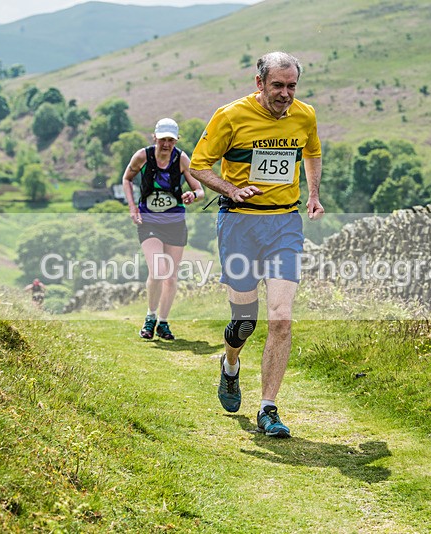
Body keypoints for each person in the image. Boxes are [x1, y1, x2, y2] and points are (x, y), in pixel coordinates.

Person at [190, 51, 323, 438]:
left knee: (281, 317)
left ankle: (268, 409)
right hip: (239, 224)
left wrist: (313, 194)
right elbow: (199, 165)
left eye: (292, 86)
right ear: (259, 83)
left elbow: (312, 152)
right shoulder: (230, 116)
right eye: (278, 85)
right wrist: (231, 188)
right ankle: (230, 364)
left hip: (284, 223)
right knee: (245, 321)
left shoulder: (305, 114)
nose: (286, 94)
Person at [122, 118, 204, 340]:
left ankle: (163, 322)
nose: (166, 144)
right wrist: (132, 207)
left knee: (170, 277)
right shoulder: (143, 156)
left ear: (176, 140)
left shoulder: (181, 159)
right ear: (154, 138)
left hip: (175, 223)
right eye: (162, 139)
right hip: (149, 222)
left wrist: (192, 195)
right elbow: (127, 179)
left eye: (171, 140)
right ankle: (150, 317)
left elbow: (200, 190)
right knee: (158, 269)